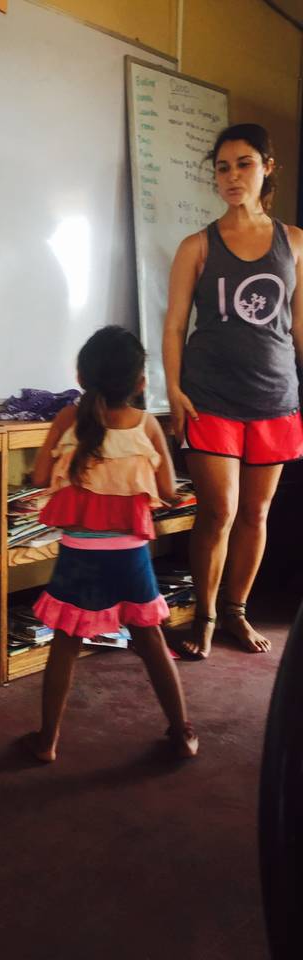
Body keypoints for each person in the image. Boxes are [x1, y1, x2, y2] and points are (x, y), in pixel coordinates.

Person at [163, 123, 303, 660]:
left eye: (243, 163)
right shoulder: (197, 245)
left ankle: (237, 614)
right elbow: (175, 325)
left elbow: (296, 325)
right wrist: (174, 390)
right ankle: (205, 614)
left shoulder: (292, 242)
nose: (231, 176)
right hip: (210, 396)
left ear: (268, 167)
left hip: (274, 398)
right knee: (219, 510)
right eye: (222, 167)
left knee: (256, 515)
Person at [28, 326, 198, 762]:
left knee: (64, 644)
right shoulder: (146, 425)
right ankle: (181, 733)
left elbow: (40, 479)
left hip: (77, 556)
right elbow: (168, 490)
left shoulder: (68, 419)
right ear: (141, 383)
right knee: (151, 641)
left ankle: (48, 740)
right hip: (130, 557)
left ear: (81, 377)